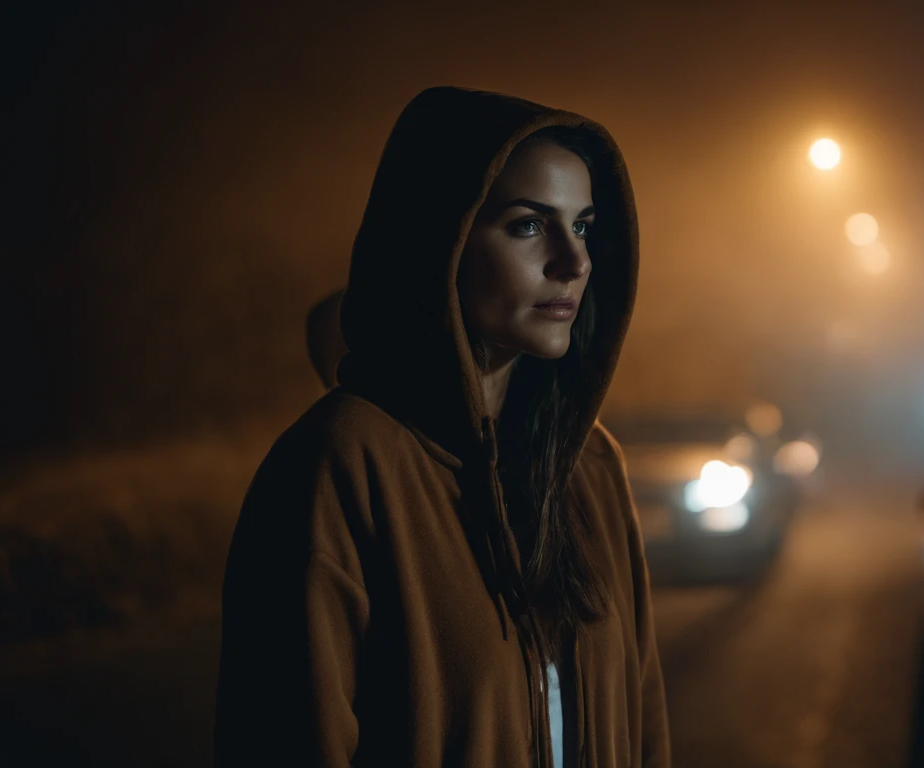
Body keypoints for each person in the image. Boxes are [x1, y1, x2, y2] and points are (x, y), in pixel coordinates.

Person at [213, 87, 670, 767]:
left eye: (581, 225)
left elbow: (645, 727)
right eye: (527, 225)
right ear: (439, 240)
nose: (574, 263)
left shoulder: (588, 466)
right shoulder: (338, 466)